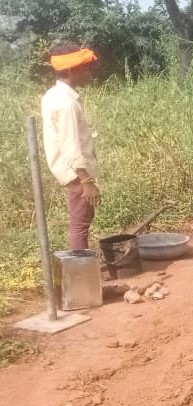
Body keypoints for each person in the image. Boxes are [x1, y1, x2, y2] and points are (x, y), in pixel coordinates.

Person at [41, 43, 101, 251]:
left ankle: (81, 272)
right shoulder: (67, 104)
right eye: (84, 68)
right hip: (76, 174)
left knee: (82, 222)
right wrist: (86, 181)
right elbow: (71, 146)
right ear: (70, 70)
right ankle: (80, 277)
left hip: (72, 171)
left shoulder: (52, 96)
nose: (88, 72)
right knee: (80, 227)